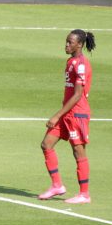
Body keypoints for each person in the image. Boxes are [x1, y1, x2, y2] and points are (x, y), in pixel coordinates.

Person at [38, 30, 96, 204]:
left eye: (70, 42)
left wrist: (56, 116)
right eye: (66, 41)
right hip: (67, 112)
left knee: (78, 152)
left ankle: (84, 194)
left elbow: (78, 95)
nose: (66, 45)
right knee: (46, 144)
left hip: (77, 114)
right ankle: (57, 185)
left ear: (80, 44)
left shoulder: (81, 65)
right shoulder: (71, 61)